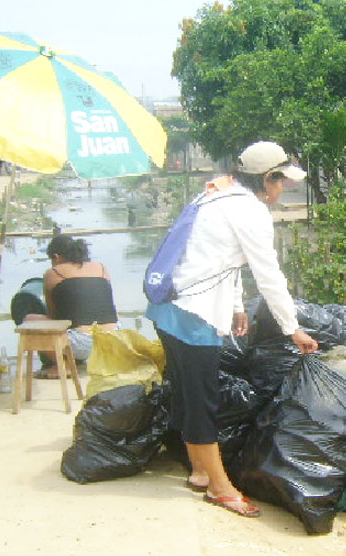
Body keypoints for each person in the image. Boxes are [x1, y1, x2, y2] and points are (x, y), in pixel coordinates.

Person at [145, 140, 318, 518]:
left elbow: (219, 256)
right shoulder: (247, 210)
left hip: (168, 308)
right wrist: (293, 329)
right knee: (202, 399)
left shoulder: (216, 195)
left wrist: (238, 305)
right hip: (193, 314)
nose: (284, 188)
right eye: (281, 181)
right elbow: (268, 274)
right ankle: (221, 488)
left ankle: (199, 472)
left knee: (187, 393)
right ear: (266, 177)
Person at [24, 234, 120, 378]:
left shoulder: (53, 273)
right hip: (114, 339)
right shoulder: (101, 268)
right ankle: (78, 359)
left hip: (82, 344)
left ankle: (62, 366)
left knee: (29, 320)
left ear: (56, 257)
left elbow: (54, 317)